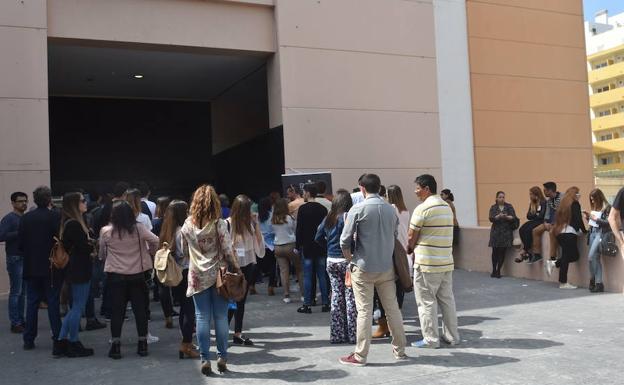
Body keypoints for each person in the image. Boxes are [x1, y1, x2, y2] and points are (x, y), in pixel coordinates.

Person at [338, 174, 406, 366]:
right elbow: (394, 236)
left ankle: (360, 355)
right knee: (393, 310)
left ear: (362, 188)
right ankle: (400, 351)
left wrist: (350, 259)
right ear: (379, 187)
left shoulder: (357, 209)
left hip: (363, 266)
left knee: (365, 312)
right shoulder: (390, 209)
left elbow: (344, 240)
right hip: (386, 267)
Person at [182, 185, 238, 375]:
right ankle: (222, 357)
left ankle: (205, 358)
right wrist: (237, 269)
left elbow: (182, 250)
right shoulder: (219, 224)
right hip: (219, 275)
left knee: (201, 317)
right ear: (214, 202)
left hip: (197, 275)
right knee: (221, 317)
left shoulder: (187, 225)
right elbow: (228, 251)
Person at [99, 200, 160, 359]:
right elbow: (155, 240)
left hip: (116, 276)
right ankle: (142, 344)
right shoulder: (139, 229)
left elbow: (102, 253)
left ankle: (116, 345)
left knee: (117, 311)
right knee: (140, 310)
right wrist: (150, 253)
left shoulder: (106, 231)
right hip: (137, 274)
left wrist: (108, 259)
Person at [407, 174, 459, 349]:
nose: (415, 192)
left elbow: (411, 236)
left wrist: (410, 248)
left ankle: (430, 339)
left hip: (427, 263)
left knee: (426, 302)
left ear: (426, 188)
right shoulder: (446, 207)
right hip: (446, 262)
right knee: (447, 300)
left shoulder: (422, 209)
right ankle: (452, 336)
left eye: (417, 188)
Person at [18, 186, 63, 354]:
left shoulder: (26, 218)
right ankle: (57, 337)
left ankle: (29, 338)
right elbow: (60, 240)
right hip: (50, 265)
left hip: (31, 265)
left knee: (32, 302)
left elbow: (20, 243)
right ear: (49, 199)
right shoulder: (55, 217)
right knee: (53, 302)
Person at [57, 192, 95, 357]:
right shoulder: (74, 224)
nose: (85, 202)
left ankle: (62, 342)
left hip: (75, 268)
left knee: (75, 307)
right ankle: (72, 342)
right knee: (77, 307)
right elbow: (83, 248)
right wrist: (91, 245)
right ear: (74, 204)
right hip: (79, 268)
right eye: (82, 200)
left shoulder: (68, 222)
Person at [158, 200, 199, 358]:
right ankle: (186, 344)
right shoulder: (182, 231)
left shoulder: (168, 229)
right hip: (187, 271)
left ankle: (185, 341)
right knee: (189, 310)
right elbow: (187, 253)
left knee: (184, 308)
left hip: (176, 274)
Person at [315, 189, 356, 344]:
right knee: (351, 297)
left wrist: (328, 248)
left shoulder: (328, 218)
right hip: (347, 260)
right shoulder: (347, 217)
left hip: (331, 260)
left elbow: (317, 237)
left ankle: (337, 334)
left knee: (337, 297)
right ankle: (353, 334)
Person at [226, 195, 265, 346]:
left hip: (248, 264)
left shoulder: (251, 223)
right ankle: (225, 331)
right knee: (231, 301)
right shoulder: (227, 224)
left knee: (241, 300)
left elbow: (259, 247)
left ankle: (237, 333)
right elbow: (225, 248)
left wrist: (256, 226)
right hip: (234, 266)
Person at [372, 185, 409, 338]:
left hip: (390, 252)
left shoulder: (388, 209)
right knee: (399, 289)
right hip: (404, 253)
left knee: (381, 291)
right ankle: (395, 323)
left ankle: (383, 326)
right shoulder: (406, 211)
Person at [296, 183, 329, 314]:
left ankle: (307, 304)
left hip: (307, 247)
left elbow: (299, 229)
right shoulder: (322, 209)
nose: (303, 194)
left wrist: (298, 245)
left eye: (304, 192)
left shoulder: (303, 209)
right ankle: (326, 303)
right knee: (322, 275)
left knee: (308, 276)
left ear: (308, 193)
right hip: (320, 246)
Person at [545, 187, 587, 289]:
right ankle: (563, 283)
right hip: (569, 234)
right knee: (567, 257)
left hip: (560, 233)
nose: (579, 195)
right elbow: (578, 219)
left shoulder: (563, 204)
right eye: (578, 193)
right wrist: (585, 231)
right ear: (574, 194)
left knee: (573, 256)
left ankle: (554, 263)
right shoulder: (575, 204)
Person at [0, 192, 28, 333]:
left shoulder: (26, 218)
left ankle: (20, 320)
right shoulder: (9, 219)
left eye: (25, 201)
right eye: (20, 201)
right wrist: (19, 232)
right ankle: (15, 322)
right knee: (16, 292)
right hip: (15, 258)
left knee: (22, 292)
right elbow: (1, 236)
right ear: (13, 203)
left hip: (25, 257)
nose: (23, 203)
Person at [272, 198, 303, 303]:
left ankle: (286, 295)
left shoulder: (273, 219)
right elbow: (295, 230)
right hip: (290, 245)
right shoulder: (290, 218)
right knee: (299, 269)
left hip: (277, 246)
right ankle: (303, 294)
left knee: (284, 271)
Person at [583, 189, 611, 293]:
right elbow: (593, 222)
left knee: (591, 256)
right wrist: (588, 218)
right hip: (592, 233)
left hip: (601, 233)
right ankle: (597, 283)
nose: (593, 202)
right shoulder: (594, 207)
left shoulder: (607, 207)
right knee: (593, 259)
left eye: (594, 199)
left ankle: (594, 280)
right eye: (591, 200)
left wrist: (594, 219)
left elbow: (608, 223)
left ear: (599, 198)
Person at [488, 191, 518, 278]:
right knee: (495, 251)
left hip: (506, 232)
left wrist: (506, 217)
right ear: (496, 198)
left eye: (503, 197)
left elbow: (513, 217)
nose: (502, 198)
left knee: (502, 251)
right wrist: (497, 217)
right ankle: (494, 269)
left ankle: (498, 271)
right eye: (500, 197)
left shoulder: (509, 206)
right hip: (496, 232)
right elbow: (491, 218)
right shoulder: (493, 207)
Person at [530, 182, 562, 263]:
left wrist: (554, 224)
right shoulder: (548, 201)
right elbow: (547, 214)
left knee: (552, 232)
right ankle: (537, 254)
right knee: (535, 231)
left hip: (559, 223)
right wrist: (545, 222)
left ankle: (553, 257)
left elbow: (564, 213)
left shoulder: (563, 198)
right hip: (549, 223)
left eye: (545, 190)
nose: (543, 192)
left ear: (550, 190)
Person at [516, 187, 546, 263]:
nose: (530, 196)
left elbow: (541, 216)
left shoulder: (543, 202)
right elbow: (528, 216)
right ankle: (527, 251)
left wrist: (534, 214)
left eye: (531, 194)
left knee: (529, 230)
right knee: (522, 229)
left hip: (541, 221)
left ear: (536, 194)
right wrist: (536, 214)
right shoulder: (532, 203)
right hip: (534, 221)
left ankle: (525, 251)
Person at [257, 197, 277, 296]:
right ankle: (271, 286)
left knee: (257, 266)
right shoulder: (272, 216)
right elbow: (274, 230)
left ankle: (251, 285)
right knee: (272, 265)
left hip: (260, 244)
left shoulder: (256, 217)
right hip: (271, 244)